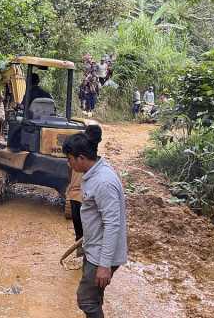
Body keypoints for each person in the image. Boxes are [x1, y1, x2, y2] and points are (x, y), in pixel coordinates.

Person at [62, 126, 128, 318]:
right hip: (94, 248)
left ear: (81, 158)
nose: (69, 164)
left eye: (70, 159)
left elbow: (112, 224)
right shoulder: (95, 174)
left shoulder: (103, 182)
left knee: (86, 300)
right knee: (93, 296)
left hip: (101, 255)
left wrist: (105, 265)